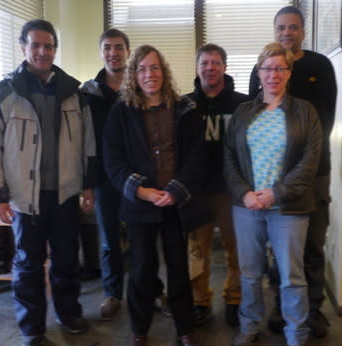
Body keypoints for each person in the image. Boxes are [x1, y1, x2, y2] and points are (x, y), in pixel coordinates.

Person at [0, 20, 96, 346]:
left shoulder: (73, 91)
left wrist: (88, 186)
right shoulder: (5, 92)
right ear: (23, 47)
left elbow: (88, 145)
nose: (42, 52)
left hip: (65, 194)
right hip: (23, 198)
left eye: (49, 46)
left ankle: (68, 314)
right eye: (36, 45)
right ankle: (32, 329)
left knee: (67, 260)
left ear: (55, 49)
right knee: (28, 265)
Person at [103, 44, 207, 346]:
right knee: (140, 271)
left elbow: (197, 155)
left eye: (155, 68)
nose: (150, 74)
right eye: (143, 68)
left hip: (176, 204)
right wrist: (140, 190)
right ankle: (139, 329)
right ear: (134, 74)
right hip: (140, 205)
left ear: (165, 72)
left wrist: (176, 190)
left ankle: (184, 327)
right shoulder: (121, 111)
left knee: (179, 268)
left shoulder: (185, 107)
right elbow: (113, 159)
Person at [224, 42, 322, 346]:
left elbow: (310, 162)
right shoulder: (243, 112)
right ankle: (249, 326)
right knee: (250, 274)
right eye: (267, 68)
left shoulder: (305, 112)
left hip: (289, 208)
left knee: (292, 277)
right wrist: (244, 193)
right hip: (247, 207)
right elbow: (228, 156)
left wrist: (275, 193)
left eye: (280, 68)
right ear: (259, 72)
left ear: (289, 73)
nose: (273, 74)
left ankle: (297, 334)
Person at [248, 6, 337, 338]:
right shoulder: (262, 67)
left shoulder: (320, 66)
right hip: (270, 177)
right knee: (278, 246)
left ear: (303, 30)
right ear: (275, 31)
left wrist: (298, 168)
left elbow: (325, 123)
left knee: (312, 243)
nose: (287, 32)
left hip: (315, 173)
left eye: (294, 27)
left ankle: (312, 310)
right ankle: (280, 309)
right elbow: (253, 124)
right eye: (281, 27)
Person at [81, 28, 170, 321]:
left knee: (146, 238)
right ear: (101, 52)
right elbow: (84, 139)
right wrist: (88, 184)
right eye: (107, 47)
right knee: (109, 239)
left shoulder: (141, 88)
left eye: (119, 47)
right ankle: (112, 293)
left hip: (141, 177)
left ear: (128, 52)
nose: (113, 53)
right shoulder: (89, 92)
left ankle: (153, 290)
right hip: (106, 176)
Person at [185, 43, 248, 327]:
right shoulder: (184, 105)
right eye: (204, 63)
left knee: (238, 250)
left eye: (215, 63)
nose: (209, 68)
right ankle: (200, 301)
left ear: (224, 66)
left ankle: (234, 299)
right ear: (197, 68)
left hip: (232, 191)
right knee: (198, 251)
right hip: (196, 191)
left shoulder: (242, 105)